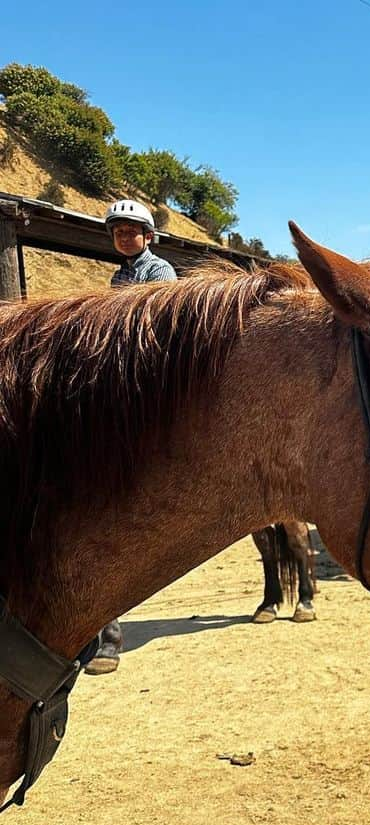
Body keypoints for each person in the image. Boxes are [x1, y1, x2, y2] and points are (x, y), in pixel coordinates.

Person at [87, 200, 178, 674]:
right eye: (118, 231)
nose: (124, 237)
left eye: (132, 231)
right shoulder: (119, 278)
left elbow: (159, 332)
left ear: (148, 235)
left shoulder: (158, 271)